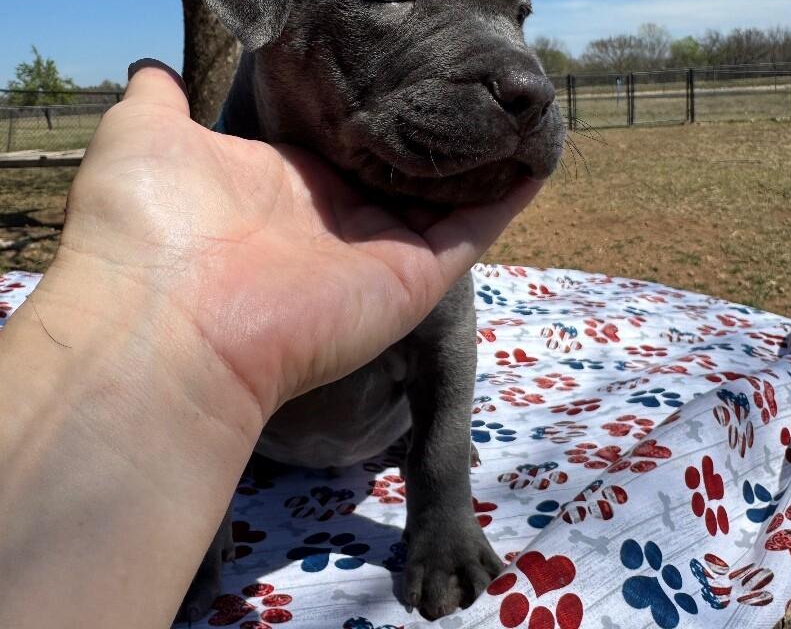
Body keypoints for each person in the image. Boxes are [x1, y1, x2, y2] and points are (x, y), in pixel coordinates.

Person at [0, 60, 543, 628]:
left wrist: (442, 500)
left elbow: (444, 347)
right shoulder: (210, 199)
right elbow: (186, 371)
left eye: (517, 16)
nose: (527, 75)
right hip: (263, 445)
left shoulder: (421, 215)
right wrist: (173, 530)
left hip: (382, 430)